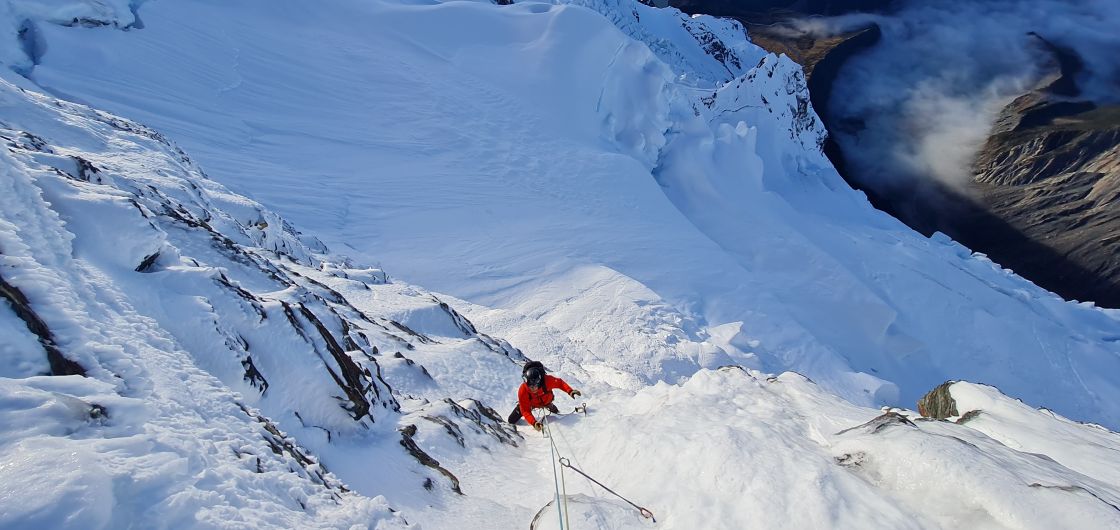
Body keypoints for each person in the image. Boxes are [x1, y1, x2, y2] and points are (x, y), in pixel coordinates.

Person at [507, 361, 581, 431]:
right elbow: (526, 411)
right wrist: (534, 422)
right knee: (511, 420)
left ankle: (550, 406)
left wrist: (570, 391)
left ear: (539, 382)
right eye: (531, 386)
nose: (533, 388)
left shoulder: (547, 380)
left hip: (546, 401)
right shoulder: (523, 390)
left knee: (556, 413)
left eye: (535, 385)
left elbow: (560, 383)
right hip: (531, 404)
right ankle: (549, 406)